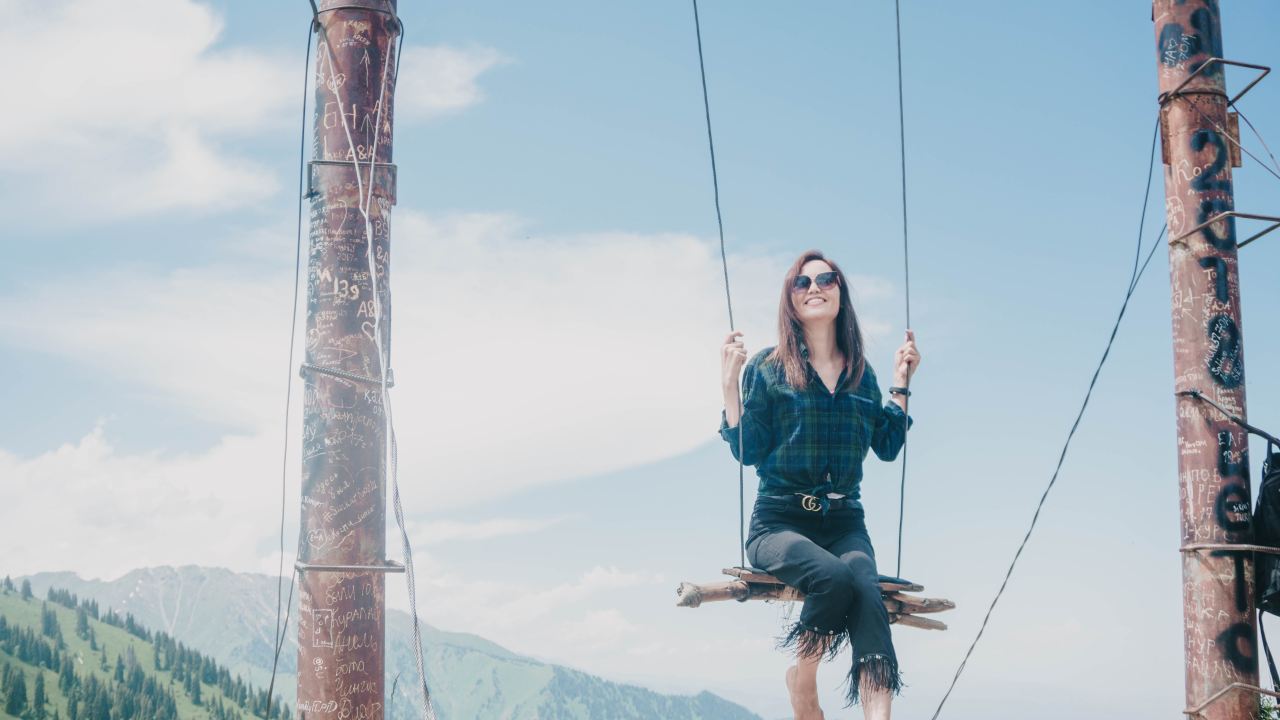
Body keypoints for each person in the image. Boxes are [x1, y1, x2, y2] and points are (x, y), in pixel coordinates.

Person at [719, 249, 920, 720]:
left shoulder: (861, 375)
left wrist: (900, 384)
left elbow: (888, 445)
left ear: (840, 293)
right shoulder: (768, 368)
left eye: (826, 279)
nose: (815, 288)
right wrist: (729, 387)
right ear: (790, 300)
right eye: (802, 283)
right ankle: (803, 681)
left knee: (867, 593)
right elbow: (748, 451)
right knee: (834, 577)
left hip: (844, 519)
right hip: (778, 522)